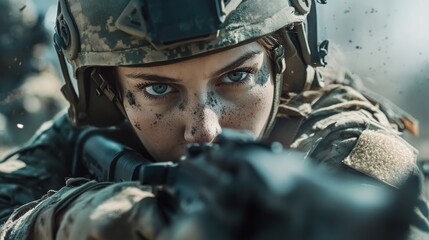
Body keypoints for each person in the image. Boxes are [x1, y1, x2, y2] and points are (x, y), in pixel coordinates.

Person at [0, 0, 428, 239]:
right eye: (157, 89)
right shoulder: (97, 135)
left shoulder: (350, 148)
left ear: (285, 62)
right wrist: (99, 216)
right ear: (110, 94)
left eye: (237, 77)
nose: (205, 128)